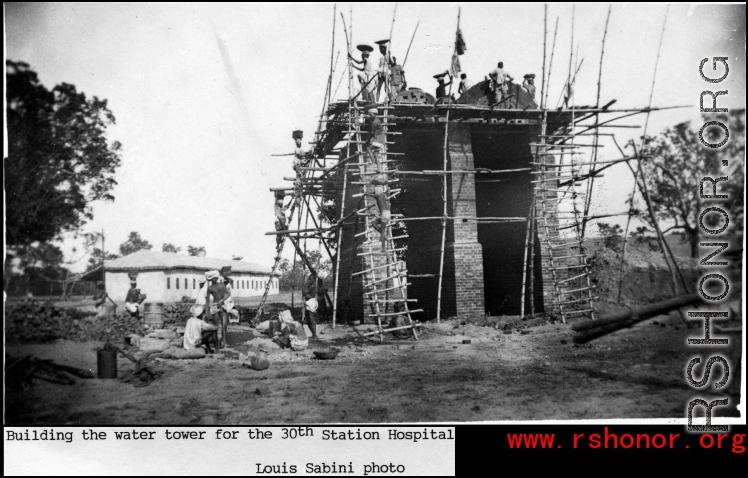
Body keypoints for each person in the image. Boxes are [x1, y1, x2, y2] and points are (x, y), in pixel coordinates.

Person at [206, 270, 231, 347]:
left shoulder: (222, 285)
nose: (215, 280)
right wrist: (207, 311)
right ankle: (216, 342)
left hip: (222, 305)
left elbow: (228, 293)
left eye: (216, 278)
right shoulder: (210, 288)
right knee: (215, 325)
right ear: (211, 279)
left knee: (224, 324)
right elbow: (207, 300)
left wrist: (222, 300)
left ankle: (223, 340)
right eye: (213, 278)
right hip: (214, 306)